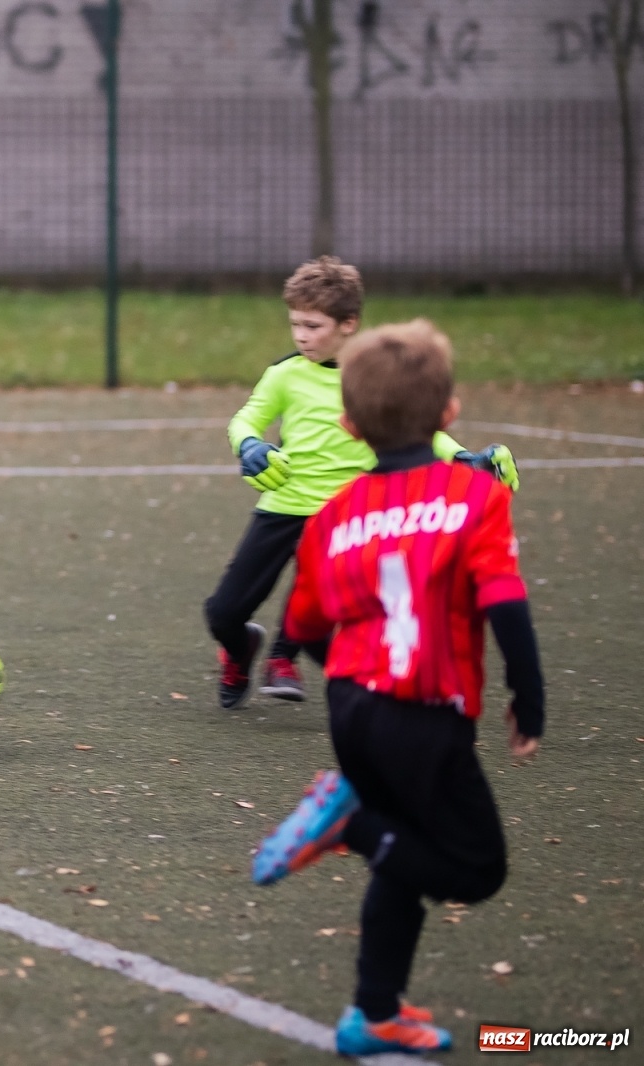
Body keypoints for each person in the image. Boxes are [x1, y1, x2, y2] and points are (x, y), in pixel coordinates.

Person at [251, 320, 544, 1055]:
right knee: (476, 868)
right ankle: (348, 825)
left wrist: (357, 672)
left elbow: (303, 626)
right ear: (449, 414)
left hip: (353, 705)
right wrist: (528, 695)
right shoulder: (474, 495)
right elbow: (505, 603)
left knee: (403, 852)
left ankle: (373, 1013)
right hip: (424, 714)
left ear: (349, 426)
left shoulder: (334, 516)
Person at [204, 256, 518, 709]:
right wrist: (250, 445)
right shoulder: (285, 375)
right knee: (223, 611)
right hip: (284, 505)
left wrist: (464, 457)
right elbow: (244, 421)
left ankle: (282, 659)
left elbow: (415, 432)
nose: (301, 335)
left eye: (313, 326)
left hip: (346, 515)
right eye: (295, 324)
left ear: (348, 324)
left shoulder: (369, 378)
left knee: (323, 598)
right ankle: (239, 649)